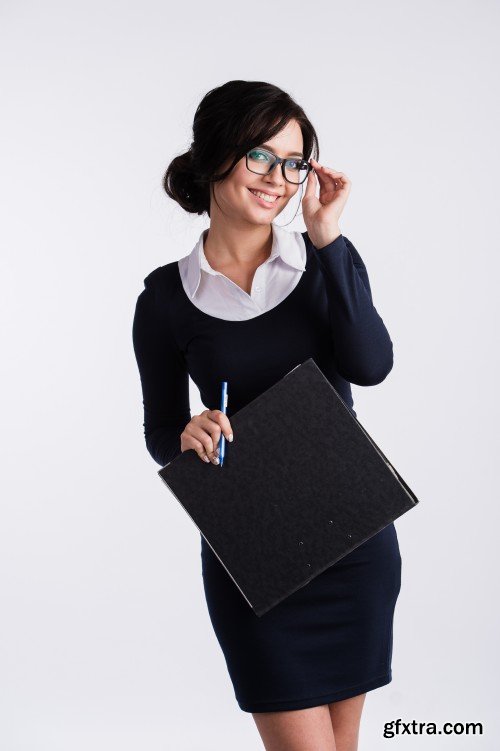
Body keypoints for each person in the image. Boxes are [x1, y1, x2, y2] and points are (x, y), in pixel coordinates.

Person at [132, 80, 402, 751]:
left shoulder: (323, 259)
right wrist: (186, 434)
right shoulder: (166, 298)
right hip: (254, 555)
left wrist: (328, 237)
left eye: (294, 162)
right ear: (215, 154)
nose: (279, 178)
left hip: (352, 540)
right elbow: (161, 430)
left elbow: (370, 365)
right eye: (260, 155)